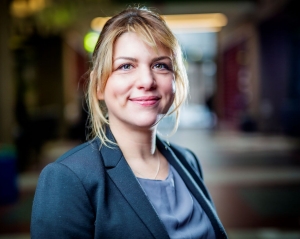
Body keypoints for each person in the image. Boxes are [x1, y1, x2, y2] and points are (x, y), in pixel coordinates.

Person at [31, 7, 227, 239]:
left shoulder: (188, 161)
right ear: (99, 86)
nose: (147, 80)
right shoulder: (68, 178)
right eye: (126, 66)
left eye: (160, 65)